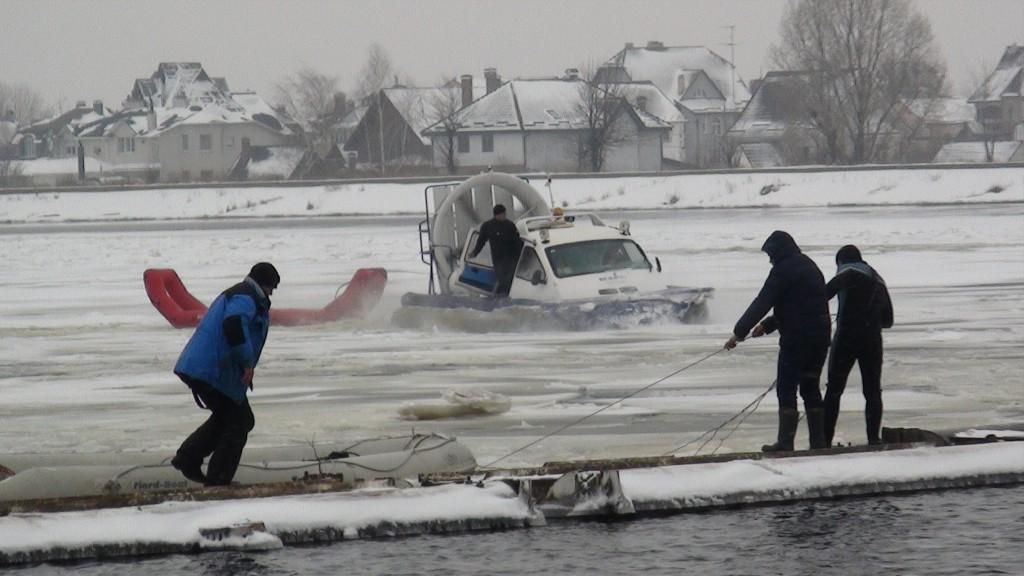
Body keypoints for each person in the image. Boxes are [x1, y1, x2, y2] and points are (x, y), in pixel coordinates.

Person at [170, 262, 280, 486]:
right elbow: (233, 325)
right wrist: (247, 362)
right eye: (272, 289)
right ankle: (218, 480)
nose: (271, 294)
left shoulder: (242, 294)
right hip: (211, 370)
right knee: (238, 422)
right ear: (266, 284)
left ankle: (188, 458)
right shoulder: (245, 298)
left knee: (231, 418)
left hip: (208, 369)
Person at [725, 231, 831, 451]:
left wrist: (739, 332)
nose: (770, 260)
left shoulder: (782, 270)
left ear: (778, 251)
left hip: (797, 339)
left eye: (771, 255)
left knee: (786, 387)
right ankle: (818, 444)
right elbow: (801, 304)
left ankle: (785, 443)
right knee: (811, 387)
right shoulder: (809, 266)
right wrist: (768, 325)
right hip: (820, 337)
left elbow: (762, 301)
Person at [823, 245, 893, 447]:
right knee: (872, 391)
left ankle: (824, 440)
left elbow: (819, 297)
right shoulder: (877, 278)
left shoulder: (846, 273)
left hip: (846, 337)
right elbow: (888, 319)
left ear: (841, 262)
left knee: (834, 390)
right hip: (872, 339)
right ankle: (873, 439)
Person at [469, 204, 522, 297]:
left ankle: (507, 296)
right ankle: (502, 298)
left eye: (505, 214)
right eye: (503, 214)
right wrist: (475, 252)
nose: (505, 216)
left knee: (510, 280)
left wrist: (522, 256)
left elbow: (517, 242)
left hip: (512, 258)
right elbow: (481, 241)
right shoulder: (487, 226)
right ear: (497, 215)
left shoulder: (510, 225)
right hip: (498, 259)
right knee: (502, 280)